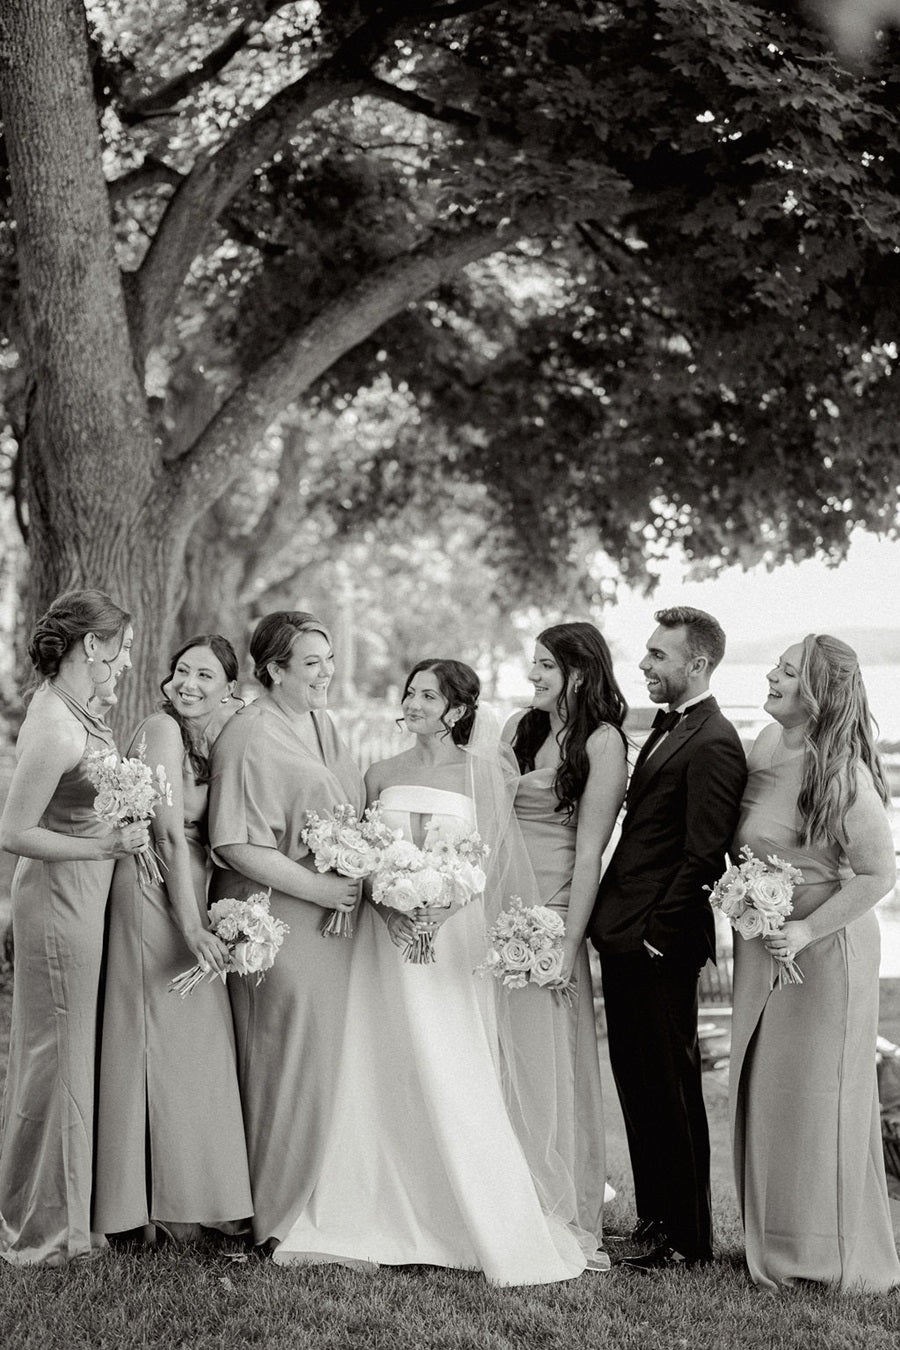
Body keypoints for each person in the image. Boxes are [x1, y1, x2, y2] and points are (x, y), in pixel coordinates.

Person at [273, 659, 591, 1285]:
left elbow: (491, 859)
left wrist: (439, 910)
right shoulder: (379, 773)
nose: (413, 702)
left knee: (456, 1059)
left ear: (456, 711)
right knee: (379, 1055)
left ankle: (475, 1213)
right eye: (410, 692)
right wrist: (390, 911)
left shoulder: (487, 776)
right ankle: (369, 1203)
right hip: (384, 940)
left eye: (428, 695)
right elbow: (362, 856)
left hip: (454, 940)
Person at [730, 635, 900, 1292]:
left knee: (820, 1098)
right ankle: (773, 1242)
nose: (771, 674)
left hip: (825, 950)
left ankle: (828, 1256)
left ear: (817, 693)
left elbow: (877, 873)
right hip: (764, 941)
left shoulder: (843, 773)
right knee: (770, 1091)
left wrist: (802, 929)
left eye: (787, 670)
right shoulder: (765, 747)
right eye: (774, 664)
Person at [589, 606, 746, 1271]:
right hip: (627, 937)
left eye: (658, 654)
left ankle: (685, 1239)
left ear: (697, 663)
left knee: (672, 1088)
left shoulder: (713, 741)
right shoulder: (665, 728)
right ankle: (657, 1220)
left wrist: (656, 934)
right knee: (640, 1084)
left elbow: (704, 853)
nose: (645, 664)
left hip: (661, 944)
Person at [0, 590, 148, 1266]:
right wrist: (102, 848)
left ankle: (71, 1211)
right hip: (59, 902)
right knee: (56, 1062)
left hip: (87, 898)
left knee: (71, 1056)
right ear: (93, 644)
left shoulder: (80, 709)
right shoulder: (58, 724)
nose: (125, 658)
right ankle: (47, 1233)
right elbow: (15, 832)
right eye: (120, 645)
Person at [207, 611, 363, 1249]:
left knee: (320, 1062)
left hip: (331, 924)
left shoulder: (323, 723)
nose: (326, 673)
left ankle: (311, 1197)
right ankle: (267, 1216)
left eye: (329, 659)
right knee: (279, 1060)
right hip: (275, 919)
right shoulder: (249, 733)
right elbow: (235, 843)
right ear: (273, 669)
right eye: (311, 663)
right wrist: (326, 888)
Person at [94, 634, 253, 1242]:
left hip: (187, 889)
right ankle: (145, 1209)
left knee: (187, 1043)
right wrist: (192, 927)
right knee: (161, 1037)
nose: (188, 683)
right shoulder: (161, 729)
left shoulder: (208, 740)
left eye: (205, 676)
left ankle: (177, 1201)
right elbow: (165, 835)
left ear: (229, 689)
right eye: (182, 671)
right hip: (154, 893)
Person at [504, 622, 628, 1250]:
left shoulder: (603, 743)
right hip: (501, 911)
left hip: (553, 914)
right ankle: (501, 1192)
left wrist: (566, 941)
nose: (533, 675)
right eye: (533, 663)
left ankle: (560, 1204)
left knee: (556, 1060)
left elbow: (590, 853)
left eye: (545, 665)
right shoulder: (519, 731)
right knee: (503, 1057)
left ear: (578, 672)